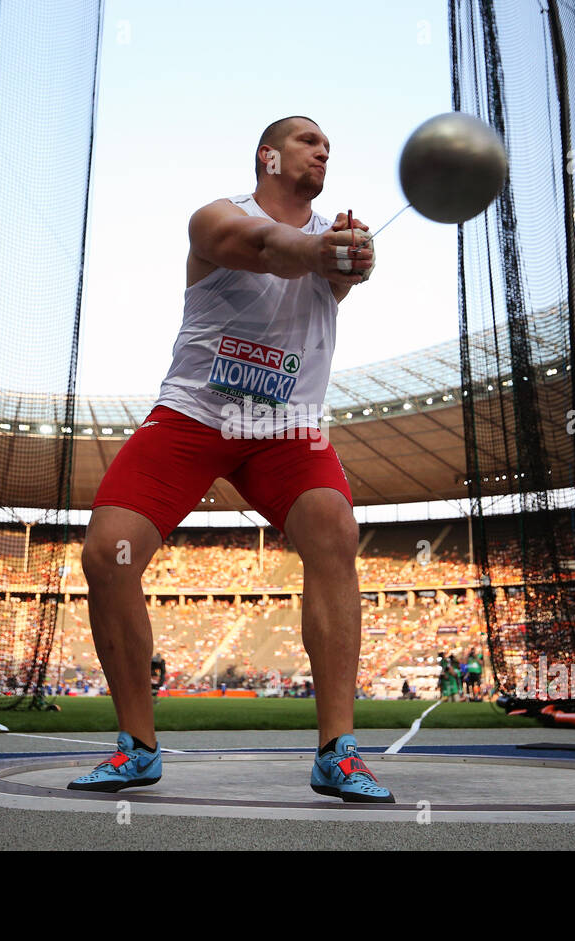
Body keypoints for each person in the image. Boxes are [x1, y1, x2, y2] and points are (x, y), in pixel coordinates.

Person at [70, 116, 391, 802]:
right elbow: (267, 248)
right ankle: (137, 747)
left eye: (328, 146)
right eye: (307, 140)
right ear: (268, 156)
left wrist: (350, 265)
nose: (322, 150)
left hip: (287, 427)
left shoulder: (325, 239)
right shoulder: (217, 218)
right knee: (108, 550)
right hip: (197, 414)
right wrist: (320, 250)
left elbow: (317, 278)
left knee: (334, 528)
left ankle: (338, 751)